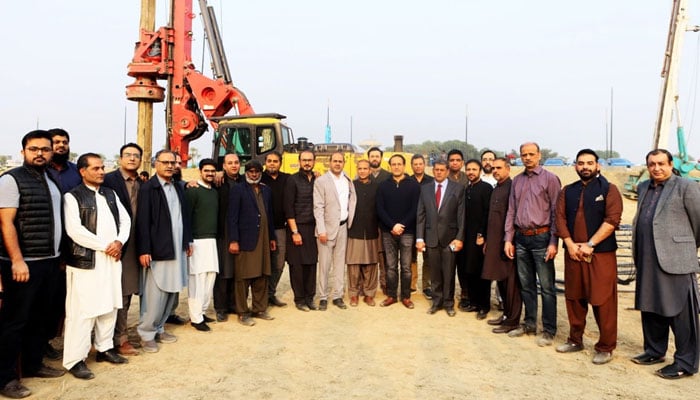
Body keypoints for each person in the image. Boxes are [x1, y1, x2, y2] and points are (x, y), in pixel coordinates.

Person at [0, 130, 65, 399]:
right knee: (15, 322)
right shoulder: (11, 180)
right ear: (23, 152)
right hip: (23, 264)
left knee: (41, 318)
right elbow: (5, 222)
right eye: (33, 149)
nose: (40, 153)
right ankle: (5, 379)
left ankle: (33, 364)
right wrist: (17, 260)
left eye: (45, 149)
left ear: (52, 152)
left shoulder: (51, 178)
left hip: (49, 262)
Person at [631, 149, 700, 379]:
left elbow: (698, 222)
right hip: (647, 259)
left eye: (661, 163)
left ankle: (685, 362)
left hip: (676, 260)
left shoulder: (686, 187)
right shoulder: (643, 188)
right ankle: (654, 350)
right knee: (650, 307)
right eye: (652, 164)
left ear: (671, 164)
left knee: (682, 315)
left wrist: (685, 248)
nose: (656, 168)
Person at [62, 153, 131, 380]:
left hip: (111, 259)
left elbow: (126, 220)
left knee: (110, 305)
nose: (101, 172)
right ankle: (75, 359)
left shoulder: (110, 194)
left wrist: (119, 241)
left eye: (102, 168)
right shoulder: (72, 197)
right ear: (83, 171)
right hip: (87, 261)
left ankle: (104, 348)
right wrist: (105, 246)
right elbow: (75, 231)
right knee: (83, 311)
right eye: (96, 168)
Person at [553, 149, 622, 365]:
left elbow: (612, 220)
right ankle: (575, 340)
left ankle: (606, 346)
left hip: (600, 254)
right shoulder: (568, 191)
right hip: (573, 253)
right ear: (575, 166)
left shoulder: (609, 189)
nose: (585, 167)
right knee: (574, 297)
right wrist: (570, 244)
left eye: (589, 163)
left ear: (598, 166)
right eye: (581, 163)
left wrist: (591, 244)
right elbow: (560, 218)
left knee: (603, 300)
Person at [504, 142, 561, 347]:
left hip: (542, 238)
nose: (527, 158)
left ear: (539, 155)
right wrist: (508, 239)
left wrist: (554, 241)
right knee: (526, 286)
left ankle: (548, 329)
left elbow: (556, 212)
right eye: (523, 154)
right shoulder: (517, 181)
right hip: (521, 238)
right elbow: (511, 210)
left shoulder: (550, 179)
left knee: (546, 287)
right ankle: (529, 324)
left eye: (531, 154)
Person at [136, 150, 192, 353]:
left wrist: (187, 241)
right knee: (155, 293)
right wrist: (144, 250)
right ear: (155, 164)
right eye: (165, 162)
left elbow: (182, 217)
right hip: (158, 250)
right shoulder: (149, 189)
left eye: (173, 163)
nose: (170, 166)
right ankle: (146, 333)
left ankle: (159, 328)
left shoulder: (177, 187)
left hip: (176, 248)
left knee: (172, 290)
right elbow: (143, 222)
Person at [44, 128, 82, 360]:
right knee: (46, 296)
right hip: (45, 241)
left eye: (64, 142)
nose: (61, 146)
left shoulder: (76, 172)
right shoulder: (38, 172)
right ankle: (43, 340)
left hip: (73, 241)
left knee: (65, 295)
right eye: (56, 142)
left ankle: (57, 334)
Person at [103, 143, 143, 356]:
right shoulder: (108, 181)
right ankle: (115, 339)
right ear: (120, 158)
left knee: (126, 293)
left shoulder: (142, 183)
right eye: (127, 155)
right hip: (113, 245)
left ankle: (119, 337)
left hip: (136, 243)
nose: (132, 159)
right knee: (116, 294)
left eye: (136, 155)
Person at [229, 160, 277, 326]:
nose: (254, 174)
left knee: (262, 275)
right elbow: (232, 218)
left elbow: (268, 216)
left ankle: (259, 308)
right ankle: (242, 312)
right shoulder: (238, 190)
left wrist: (271, 238)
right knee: (243, 277)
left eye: (257, 171)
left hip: (263, 240)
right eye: (251, 171)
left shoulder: (266, 190)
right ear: (246, 172)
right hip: (245, 241)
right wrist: (234, 240)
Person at [416, 160, 465, 317]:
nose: (438, 172)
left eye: (442, 170)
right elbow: (421, 215)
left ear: (447, 171)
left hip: (449, 239)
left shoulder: (457, 189)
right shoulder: (425, 189)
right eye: (436, 169)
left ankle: (449, 303)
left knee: (449, 273)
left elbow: (461, 216)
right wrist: (419, 238)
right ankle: (436, 302)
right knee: (435, 273)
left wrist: (459, 238)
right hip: (431, 238)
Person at [482, 158, 522, 334]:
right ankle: (505, 314)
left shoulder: (512, 188)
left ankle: (512, 320)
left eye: (499, 167)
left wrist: (509, 241)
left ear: (508, 169)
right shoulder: (497, 188)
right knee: (501, 281)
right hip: (494, 242)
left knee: (511, 282)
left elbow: (513, 217)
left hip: (507, 243)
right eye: (494, 168)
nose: (496, 170)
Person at [376, 154, 421, 309]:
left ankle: (406, 297)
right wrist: (392, 226)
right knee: (390, 266)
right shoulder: (383, 186)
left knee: (406, 267)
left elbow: (415, 208)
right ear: (390, 166)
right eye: (393, 164)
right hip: (388, 232)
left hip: (407, 232)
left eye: (399, 164)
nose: (396, 167)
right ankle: (391, 295)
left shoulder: (413, 185)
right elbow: (380, 209)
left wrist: (401, 225)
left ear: (404, 166)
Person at [313, 152, 356, 310]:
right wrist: (321, 230)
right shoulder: (321, 181)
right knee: (324, 265)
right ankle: (323, 296)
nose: (338, 164)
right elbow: (318, 207)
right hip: (326, 229)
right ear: (329, 163)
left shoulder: (347, 179)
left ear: (344, 163)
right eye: (335, 161)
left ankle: (338, 295)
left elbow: (351, 200)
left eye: (340, 161)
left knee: (339, 264)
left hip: (343, 227)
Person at [184, 159, 219, 332]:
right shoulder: (193, 191)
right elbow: (187, 217)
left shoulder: (214, 192)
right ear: (200, 171)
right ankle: (196, 317)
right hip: (196, 241)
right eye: (207, 171)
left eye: (213, 171)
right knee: (197, 280)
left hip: (211, 240)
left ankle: (203, 312)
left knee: (210, 277)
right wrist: (188, 241)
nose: (210, 174)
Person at [459, 159, 493, 319]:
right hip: (466, 236)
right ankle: (473, 302)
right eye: (468, 169)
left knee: (481, 272)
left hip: (479, 237)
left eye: (474, 169)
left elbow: (488, 213)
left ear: (480, 170)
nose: (471, 172)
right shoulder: (467, 189)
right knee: (469, 270)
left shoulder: (486, 189)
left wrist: (482, 234)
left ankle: (483, 306)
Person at [285, 151, 319, 311]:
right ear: (299, 161)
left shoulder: (318, 180)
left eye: (309, 160)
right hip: (297, 227)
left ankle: (310, 298)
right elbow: (289, 208)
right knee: (297, 266)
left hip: (313, 228)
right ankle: (299, 299)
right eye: (304, 160)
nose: (307, 163)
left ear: (314, 161)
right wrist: (294, 232)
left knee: (311, 265)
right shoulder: (292, 180)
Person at [346, 160, 380, 307]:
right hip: (355, 229)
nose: (362, 171)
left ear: (370, 170)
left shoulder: (378, 187)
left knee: (371, 265)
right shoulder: (351, 186)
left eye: (365, 168)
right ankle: (353, 294)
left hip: (372, 229)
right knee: (353, 264)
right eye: (360, 168)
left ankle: (369, 294)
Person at [213, 153, 243, 321]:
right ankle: (221, 307)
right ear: (223, 166)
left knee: (237, 271)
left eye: (236, 162)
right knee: (224, 272)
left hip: (241, 233)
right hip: (223, 233)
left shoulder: (244, 181)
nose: (233, 165)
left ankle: (233, 304)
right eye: (230, 163)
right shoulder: (218, 182)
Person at [261, 152, 290, 308]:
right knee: (261, 264)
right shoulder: (258, 178)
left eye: (275, 161)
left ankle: (271, 294)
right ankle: (261, 298)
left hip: (280, 228)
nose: (272, 164)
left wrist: (317, 173)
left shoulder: (287, 179)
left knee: (279, 264)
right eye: (269, 161)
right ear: (265, 162)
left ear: (280, 163)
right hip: (261, 229)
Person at [408, 154, 434, 299]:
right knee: (411, 256)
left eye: (420, 164)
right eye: (415, 164)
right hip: (411, 224)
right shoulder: (408, 181)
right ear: (412, 166)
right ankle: (412, 284)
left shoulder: (431, 181)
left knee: (428, 257)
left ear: (424, 165)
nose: (418, 166)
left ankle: (427, 285)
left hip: (428, 224)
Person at [367, 146, 390, 294]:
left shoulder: (388, 176)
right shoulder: (362, 175)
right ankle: (368, 285)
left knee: (384, 256)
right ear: (368, 158)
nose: (375, 158)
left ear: (381, 158)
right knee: (368, 255)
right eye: (372, 156)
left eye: (377, 156)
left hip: (384, 223)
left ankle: (385, 284)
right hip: (367, 223)